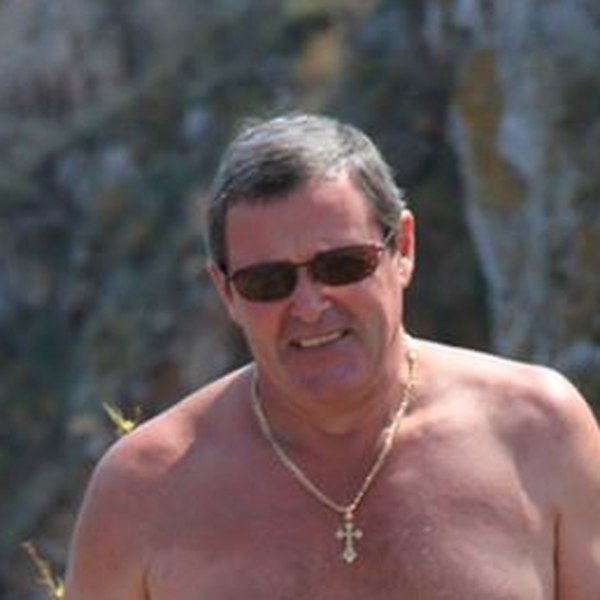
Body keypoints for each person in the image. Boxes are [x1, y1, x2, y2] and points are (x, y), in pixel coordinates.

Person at [64, 113, 600, 599]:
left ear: (403, 249)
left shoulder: (538, 431)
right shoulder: (143, 491)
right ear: (226, 291)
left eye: (342, 265)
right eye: (267, 281)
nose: (309, 305)